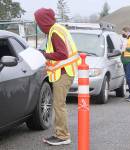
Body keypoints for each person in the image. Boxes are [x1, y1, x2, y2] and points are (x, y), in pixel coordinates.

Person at [34, 8, 79, 146]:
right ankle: (59, 133)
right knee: (58, 105)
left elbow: (62, 54)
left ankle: (63, 136)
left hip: (64, 73)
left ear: (43, 21)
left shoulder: (55, 32)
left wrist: (44, 55)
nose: (38, 25)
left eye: (38, 22)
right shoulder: (56, 29)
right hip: (64, 72)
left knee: (59, 106)